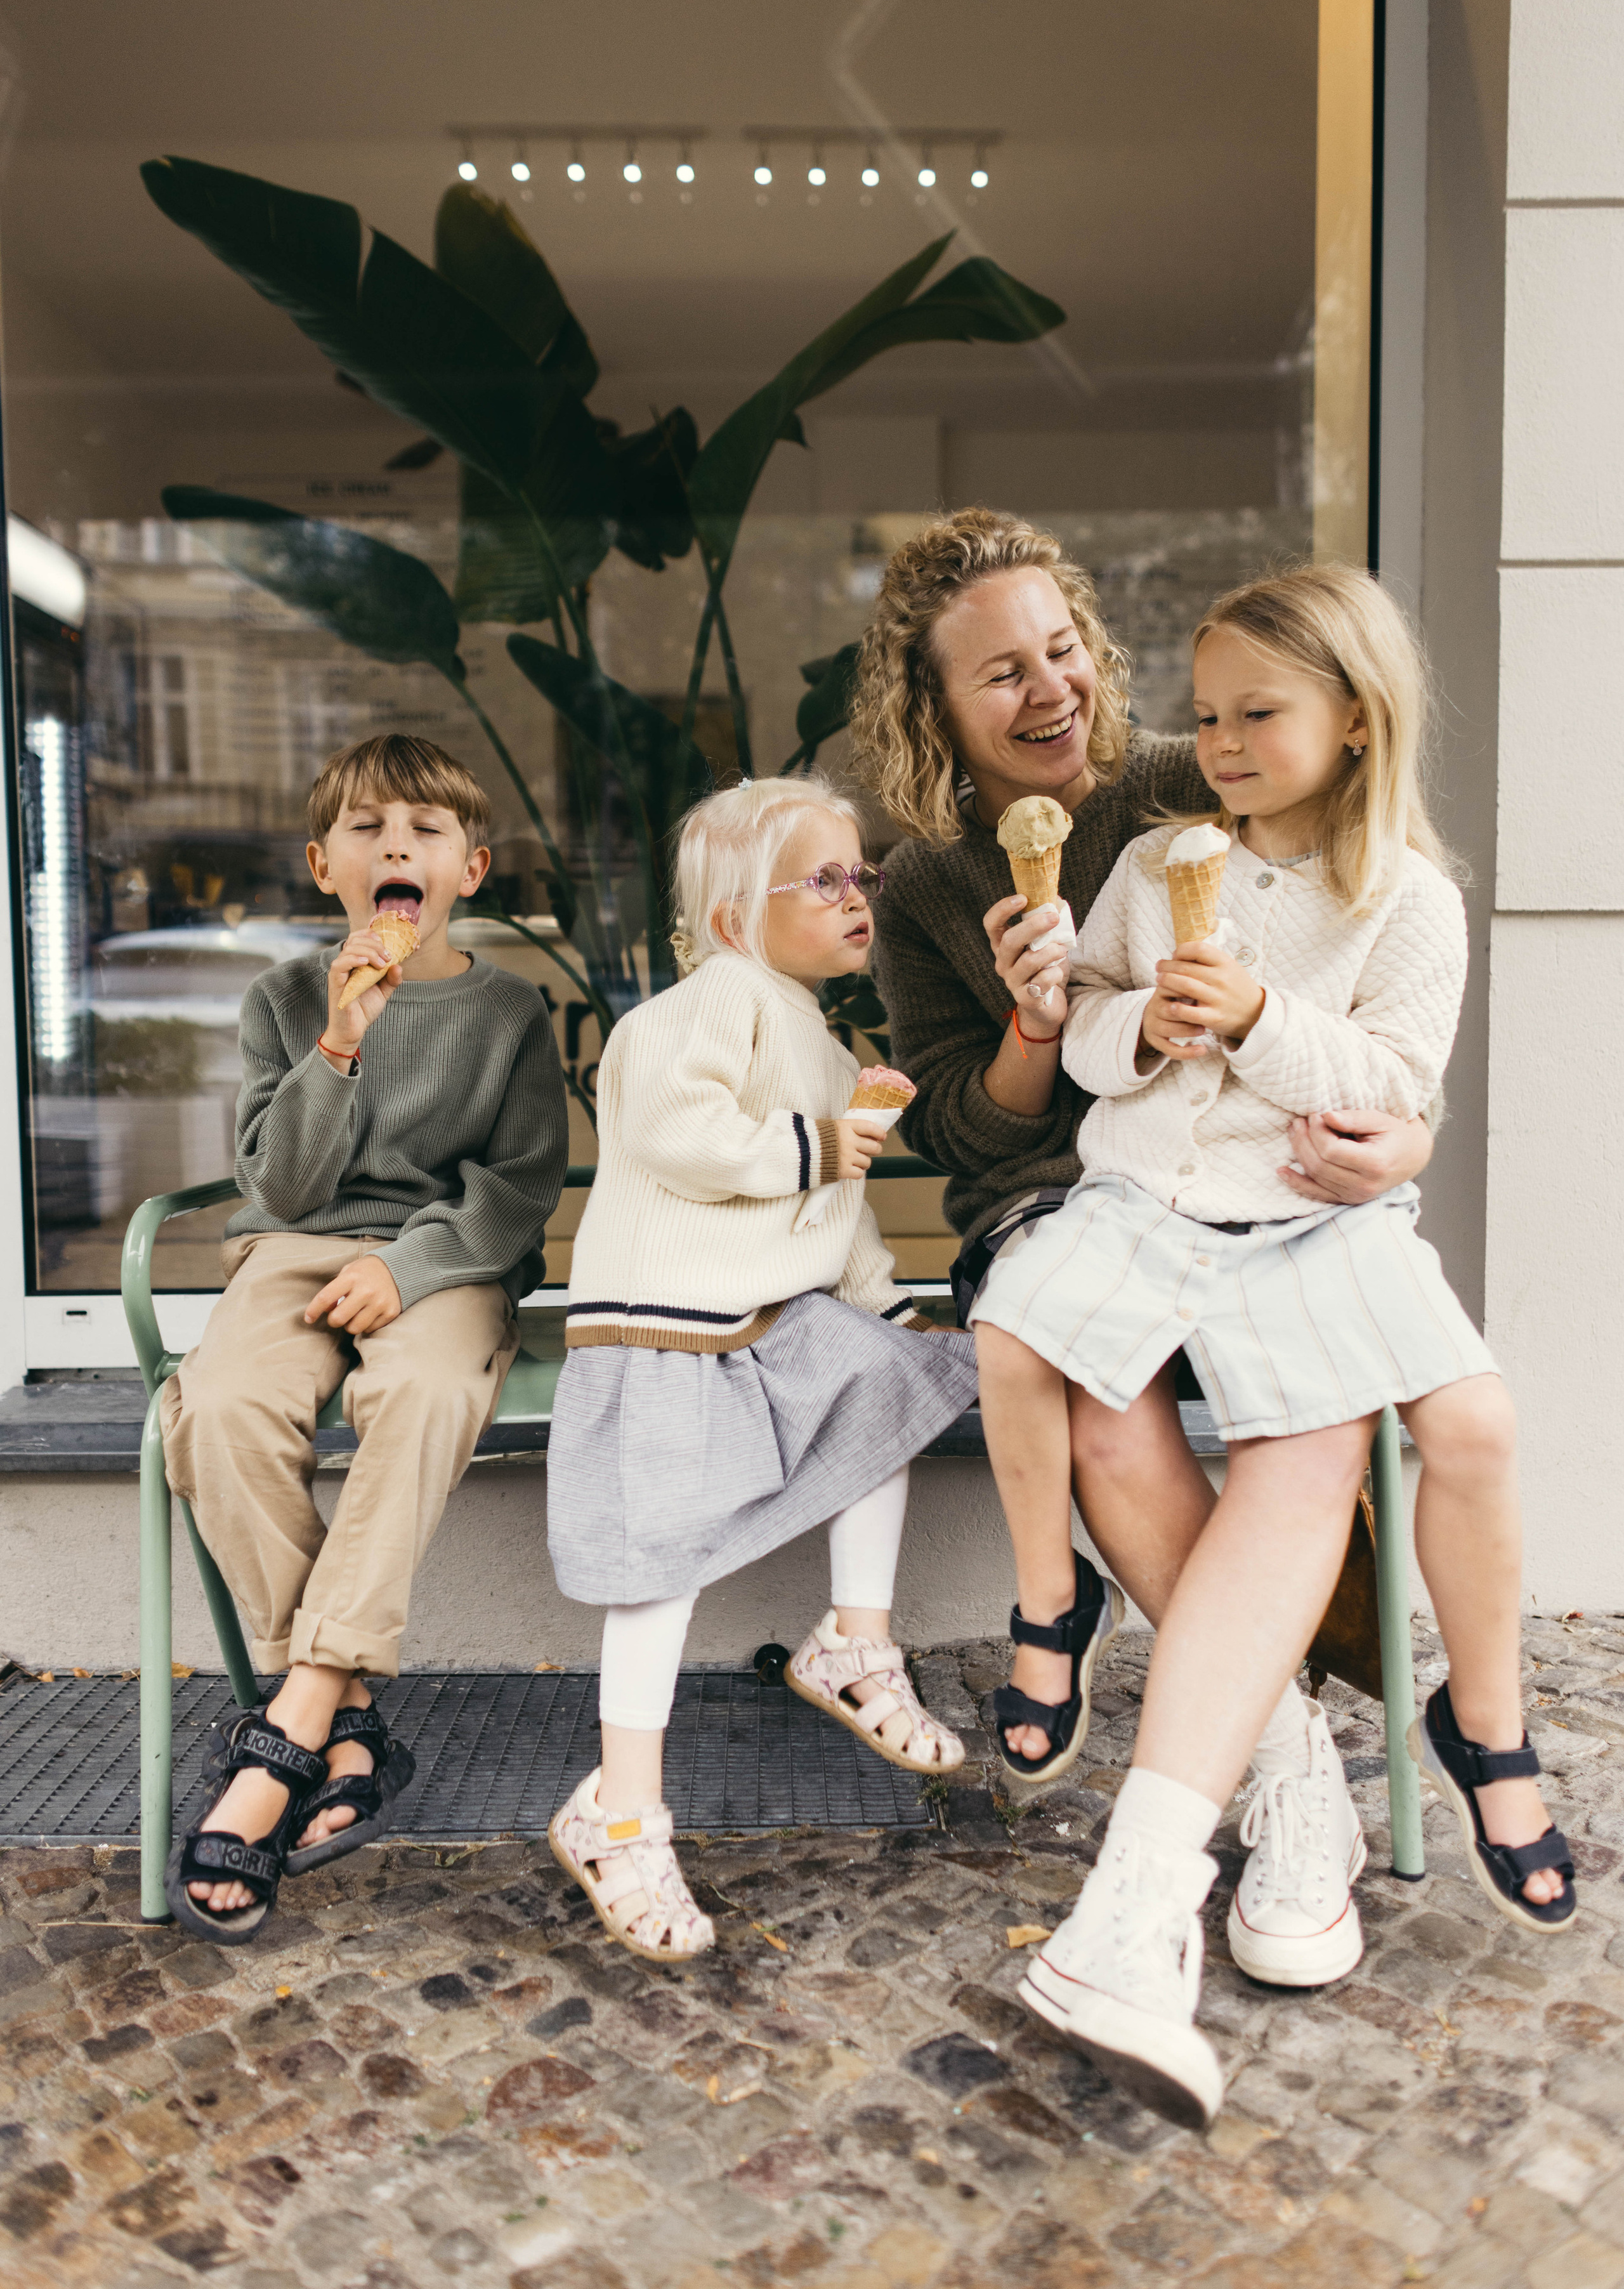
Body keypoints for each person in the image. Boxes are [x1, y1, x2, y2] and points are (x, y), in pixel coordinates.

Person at [970, 563, 1575, 2127]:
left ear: (1356, 724)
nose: (1220, 739)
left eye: (1260, 712)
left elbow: (1389, 1080)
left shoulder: (1407, 901)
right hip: (1149, 1207)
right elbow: (1097, 1030)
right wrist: (1129, 1030)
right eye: (1208, 710)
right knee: (1075, 1389)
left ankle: (1188, 1868)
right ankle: (1273, 1758)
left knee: (1401, 1433)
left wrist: (1248, 1021)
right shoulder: (1164, 858)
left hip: (1305, 1218)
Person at [853, 508, 1435, 1984]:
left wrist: (1404, 1138)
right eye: (999, 674)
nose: (1048, 691)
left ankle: (1241, 1773)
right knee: (1104, 1406)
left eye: (1061, 650)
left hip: (1247, 1189)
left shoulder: (1199, 779)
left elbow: (1376, 955)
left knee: (1301, 1405)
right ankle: (1287, 1758)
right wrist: (1032, 1025)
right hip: (1057, 1199)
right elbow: (962, 1141)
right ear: (932, 709)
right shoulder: (919, 876)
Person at [545, 773, 979, 1962]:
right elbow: (667, 1124)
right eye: (825, 879)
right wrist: (806, 1145)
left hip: (770, 1325)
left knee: (884, 1390)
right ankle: (617, 1810)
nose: (857, 897)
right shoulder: (714, 1003)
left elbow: (843, 1217)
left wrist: (887, 1307)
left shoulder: (831, 1050)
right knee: (663, 1559)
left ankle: (854, 1637)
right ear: (740, 915)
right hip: (666, 1330)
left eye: (864, 876)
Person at [160, 735, 568, 1940]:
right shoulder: (282, 1002)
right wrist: (339, 1039)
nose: (398, 844)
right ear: (322, 866)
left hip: (446, 1252)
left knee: (429, 1392)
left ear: (472, 868)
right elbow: (280, 1188)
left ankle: (288, 1728)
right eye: (370, 828)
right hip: (297, 1248)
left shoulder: (508, 1011)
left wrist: (411, 1267)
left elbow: (523, 1181)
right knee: (219, 1403)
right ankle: (337, 1720)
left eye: (428, 829)